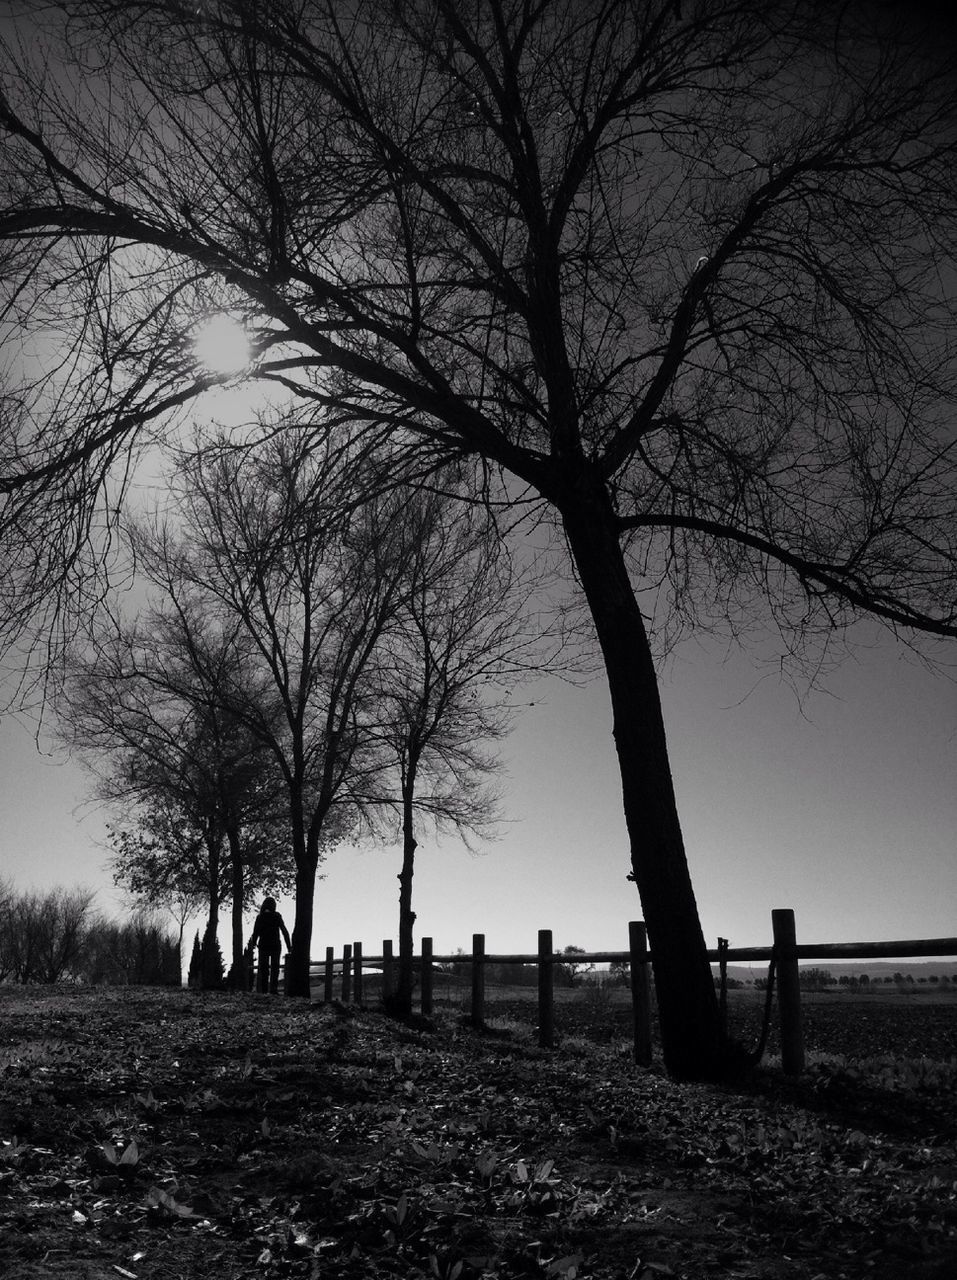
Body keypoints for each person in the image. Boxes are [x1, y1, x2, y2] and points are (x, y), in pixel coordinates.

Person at [249, 897, 292, 995]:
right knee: (275, 968)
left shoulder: (260, 917)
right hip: (275, 946)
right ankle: (273, 989)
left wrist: (253, 944)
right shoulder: (277, 916)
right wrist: (289, 946)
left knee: (263, 969)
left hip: (263, 946)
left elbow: (255, 932)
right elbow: (284, 931)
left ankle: (264, 990)